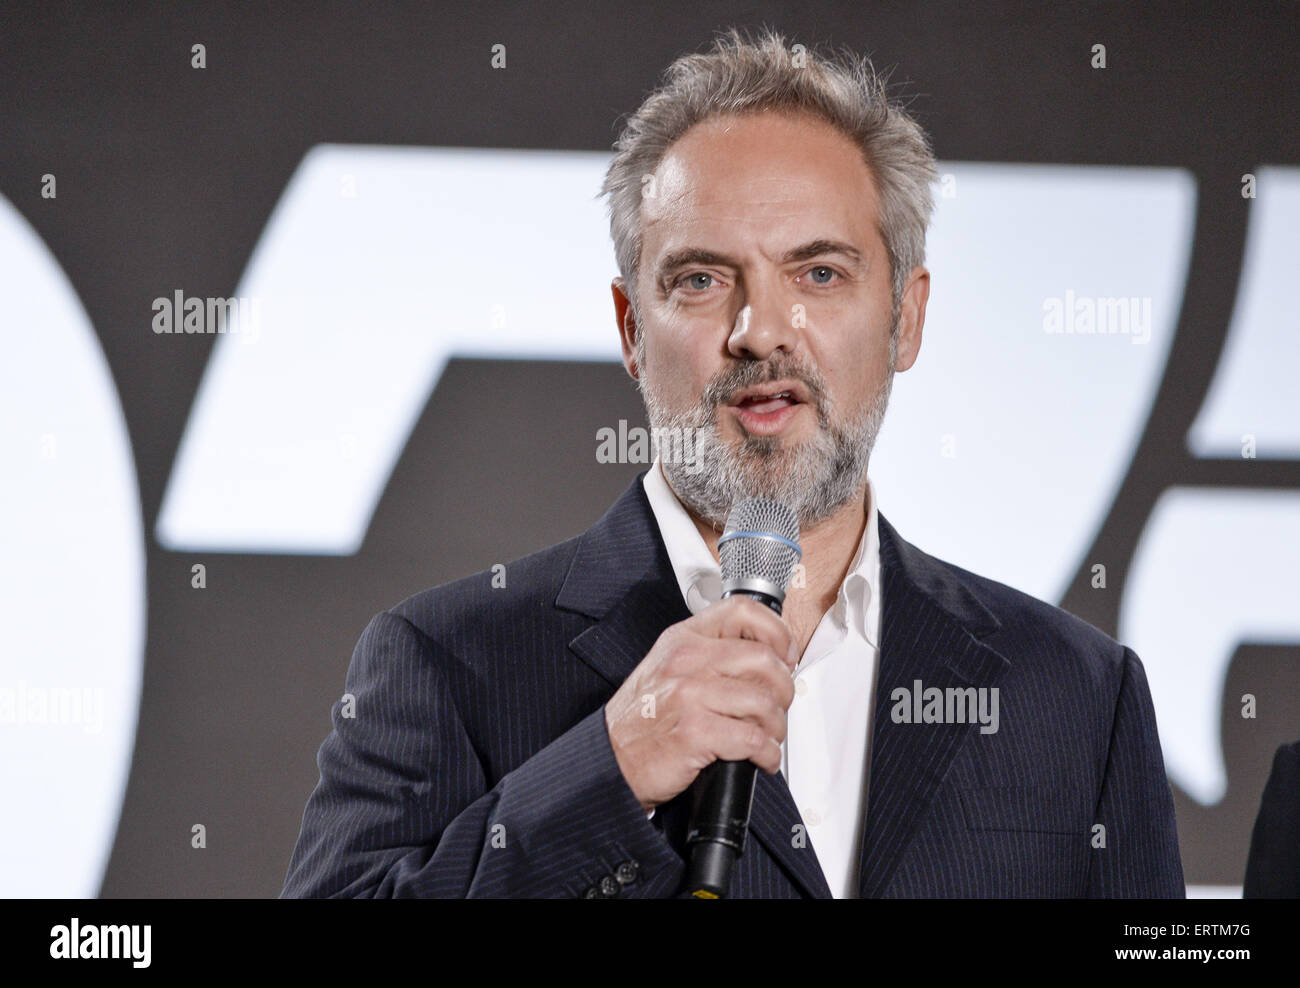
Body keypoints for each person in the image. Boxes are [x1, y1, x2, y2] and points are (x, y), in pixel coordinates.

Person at [281, 26, 1184, 898]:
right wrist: (612, 766)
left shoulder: (1076, 694)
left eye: (820, 274)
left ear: (907, 318)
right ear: (633, 330)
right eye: (701, 280)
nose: (760, 331)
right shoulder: (449, 660)